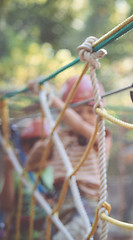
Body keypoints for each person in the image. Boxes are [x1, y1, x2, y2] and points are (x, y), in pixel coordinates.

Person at [27, 75, 112, 239]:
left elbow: (78, 125)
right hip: (61, 202)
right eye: (78, 111)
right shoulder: (59, 137)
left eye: (90, 111)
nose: (85, 116)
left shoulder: (100, 135)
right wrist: (41, 147)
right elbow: (30, 165)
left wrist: (52, 100)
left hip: (87, 202)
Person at [0, 119, 54, 240]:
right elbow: (6, 205)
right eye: (34, 145)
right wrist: (8, 172)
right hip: (19, 234)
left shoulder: (56, 171)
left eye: (47, 147)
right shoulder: (17, 172)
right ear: (25, 147)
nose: (40, 151)